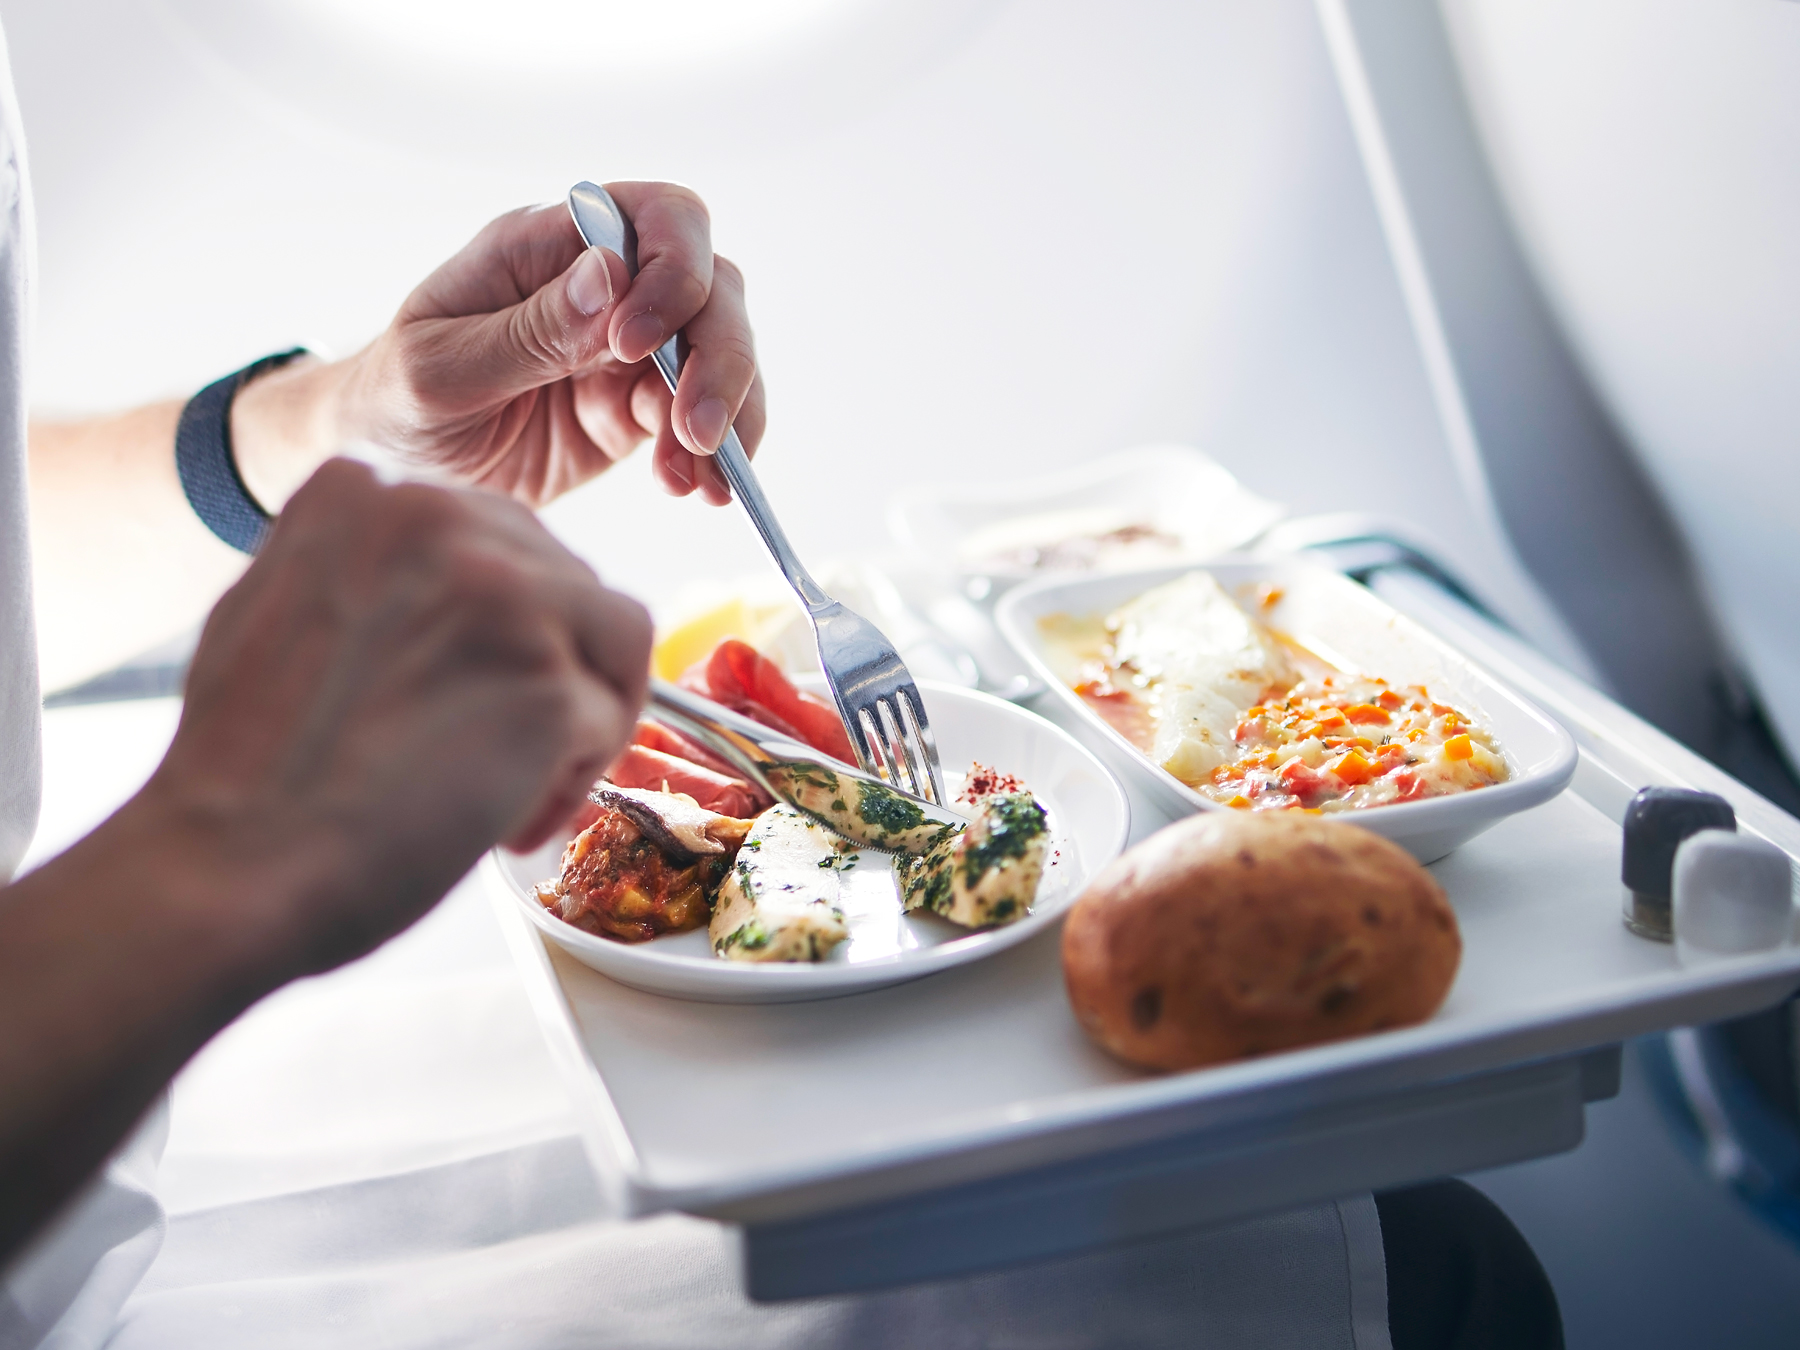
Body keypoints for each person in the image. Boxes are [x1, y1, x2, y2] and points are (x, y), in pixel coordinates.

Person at [0, 21, 1566, 1349]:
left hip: (128, 1080)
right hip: (79, 1147)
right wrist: (219, 850)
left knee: (1391, 1223)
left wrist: (338, 421)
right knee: (1432, 1283)